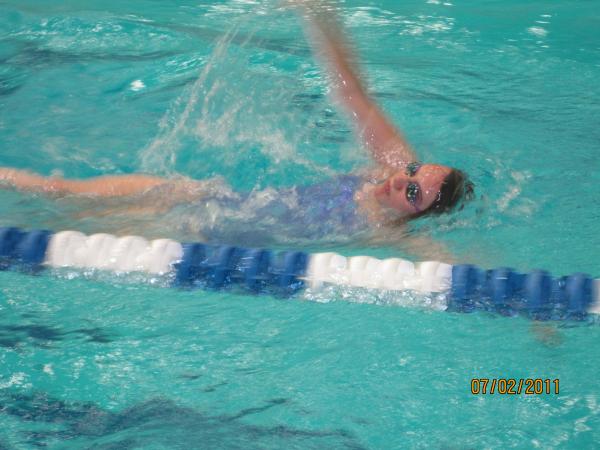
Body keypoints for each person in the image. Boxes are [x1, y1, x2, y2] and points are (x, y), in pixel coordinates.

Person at [0, 2, 471, 254]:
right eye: (413, 170)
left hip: (198, 237)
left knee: (47, 226)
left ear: (415, 216)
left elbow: (449, 264)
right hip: (197, 198)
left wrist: (531, 313)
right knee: (57, 189)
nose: (401, 179)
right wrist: (320, 12)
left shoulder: (391, 232)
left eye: (413, 194)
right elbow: (354, 95)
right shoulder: (381, 173)